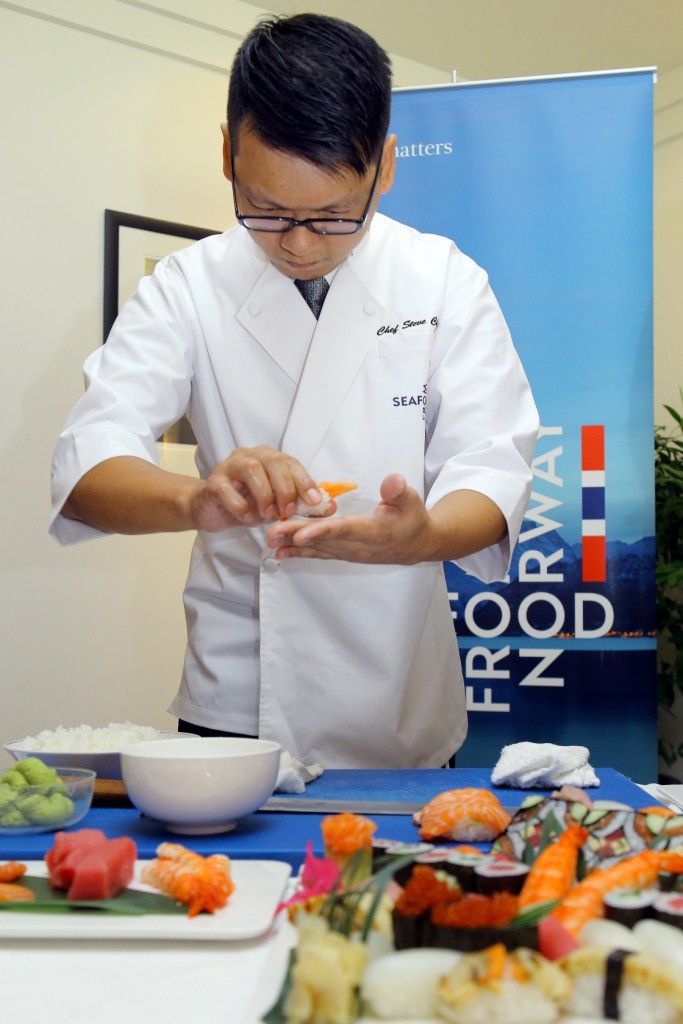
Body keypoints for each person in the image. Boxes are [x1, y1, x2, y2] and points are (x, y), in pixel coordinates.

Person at [49, 14, 539, 769]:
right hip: (237, 694)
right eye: (267, 210)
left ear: (385, 165)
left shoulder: (443, 279)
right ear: (226, 154)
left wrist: (424, 538)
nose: (300, 243)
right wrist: (195, 501)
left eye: (334, 215)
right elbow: (88, 468)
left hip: (397, 694)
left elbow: (493, 467)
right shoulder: (188, 285)